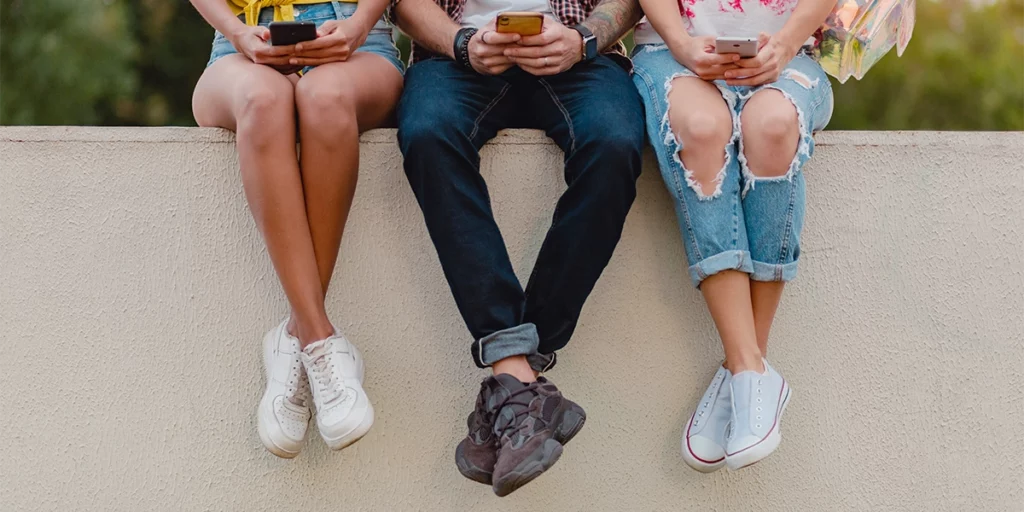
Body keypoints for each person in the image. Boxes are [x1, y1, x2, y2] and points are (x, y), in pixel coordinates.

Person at [390, 0, 644, 496]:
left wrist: (582, 40)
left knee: (614, 144)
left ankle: (516, 374)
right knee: (427, 134)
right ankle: (521, 381)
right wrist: (462, 43)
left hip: (579, 58)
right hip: (454, 58)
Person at [189, 0, 404, 459]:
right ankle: (319, 339)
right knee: (263, 100)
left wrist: (358, 25)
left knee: (325, 98)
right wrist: (239, 33)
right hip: (239, 45)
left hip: (355, 43)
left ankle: (294, 336)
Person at [631, 0, 835, 471]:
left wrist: (783, 46)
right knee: (702, 130)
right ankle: (750, 371)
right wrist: (682, 44)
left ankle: (743, 370)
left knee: (773, 124)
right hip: (669, 50)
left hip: (791, 54)